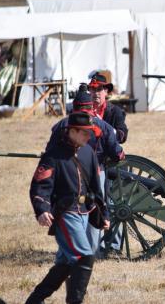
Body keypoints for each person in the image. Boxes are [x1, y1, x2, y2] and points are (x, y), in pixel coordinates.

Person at [26, 112, 110, 304]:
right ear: (72, 131)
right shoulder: (53, 154)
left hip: (85, 213)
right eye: (85, 133)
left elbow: (96, 186)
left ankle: (34, 301)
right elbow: (40, 185)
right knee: (84, 256)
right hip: (65, 214)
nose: (89, 137)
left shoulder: (89, 152)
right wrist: (42, 209)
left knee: (65, 264)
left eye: (90, 133)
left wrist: (104, 213)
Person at [46, 89, 125, 255]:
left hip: (67, 172)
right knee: (95, 208)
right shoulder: (104, 126)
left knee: (67, 209)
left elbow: (50, 151)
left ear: (74, 106)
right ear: (91, 106)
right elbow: (118, 153)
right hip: (96, 172)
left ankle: (68, 249)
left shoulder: (61, 125)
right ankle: (92, 251)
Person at [88, 71, 129, 144]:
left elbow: (122, 136)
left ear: (106, 91)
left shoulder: (115, 111)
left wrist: (104, 126)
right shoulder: (84, 110)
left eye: (99, 89)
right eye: (93, 89)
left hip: (108, 152)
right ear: (89, 91)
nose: (96, 93)